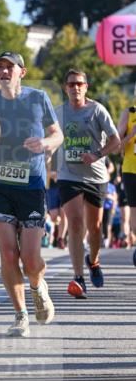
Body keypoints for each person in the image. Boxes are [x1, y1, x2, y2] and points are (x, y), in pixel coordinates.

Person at [0, 52, 62, 337]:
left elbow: (58, 135)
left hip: (31, 185)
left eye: (9, 67)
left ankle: (37, 286)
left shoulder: (38, 98)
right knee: (7, 253)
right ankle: (20, 315)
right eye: (0, 67)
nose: (4, 71)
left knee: (31, 260)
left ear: (22, 72)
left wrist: (44, 142)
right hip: (0, 184)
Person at [54, 69, 121, 296]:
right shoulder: (58, 113)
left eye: (79, 84)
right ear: (65, 88)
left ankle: (93, 261)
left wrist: (97, 154)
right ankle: (78, 278)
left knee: (95, 229)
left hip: (95, 175)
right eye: (71, 84)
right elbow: (51, 138)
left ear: (86, 87)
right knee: (74, 223)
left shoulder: (97, 110)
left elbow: (116, 141)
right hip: (68, 175)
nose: (75, 88)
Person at [117, 94, 136, 265]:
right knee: (134, 210)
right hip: (132, 170)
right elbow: (117, 146)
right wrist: (131, 134)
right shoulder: (128, 114)